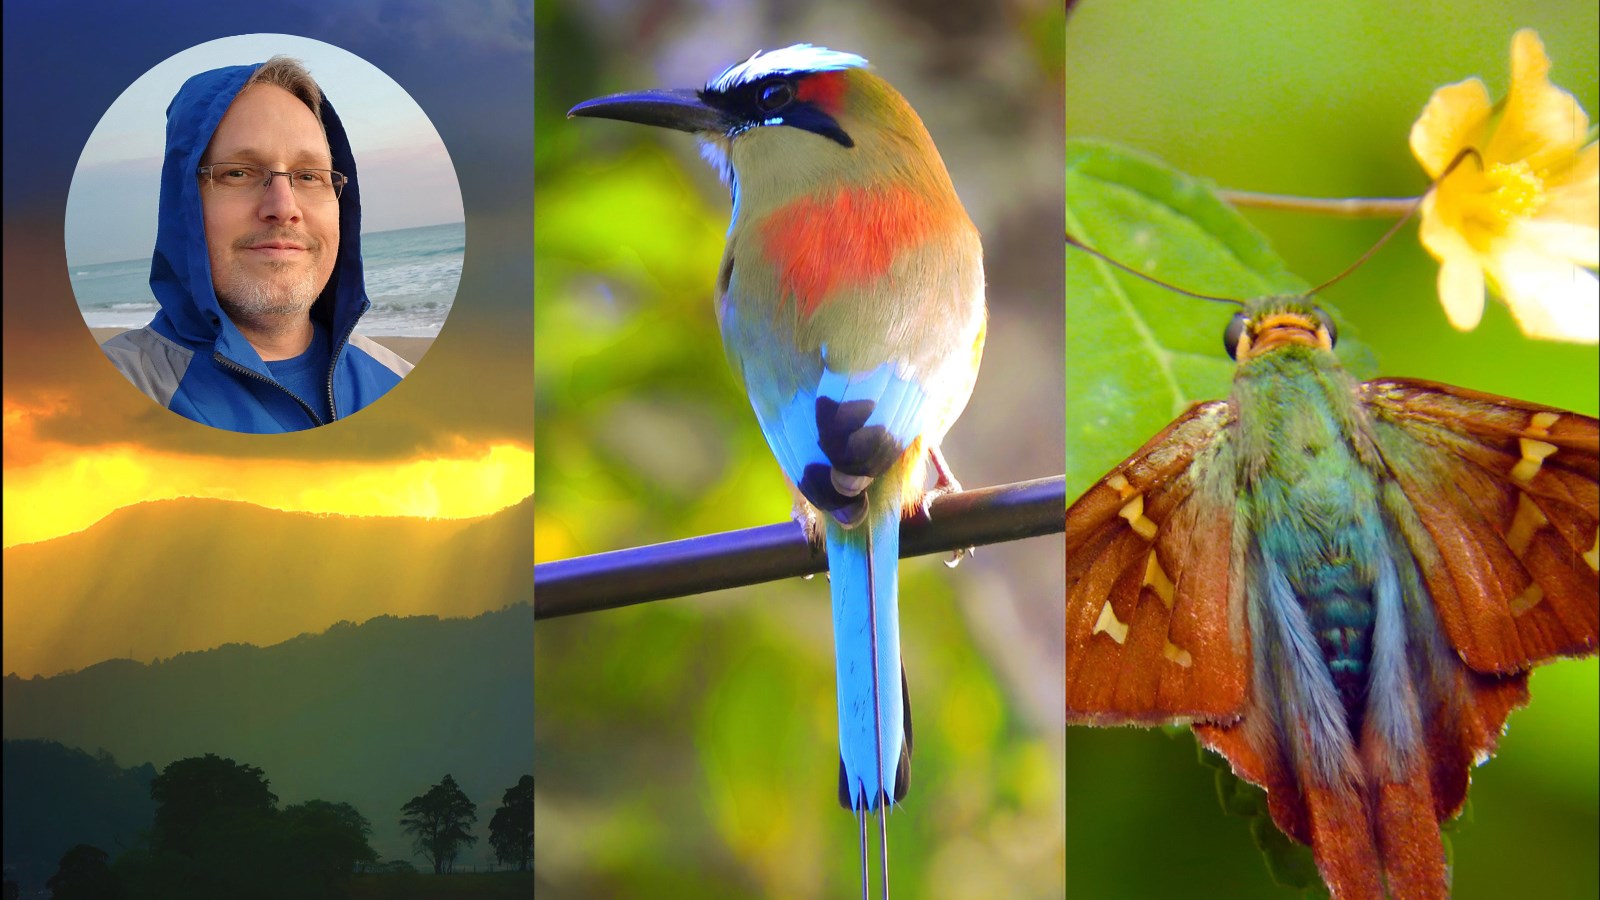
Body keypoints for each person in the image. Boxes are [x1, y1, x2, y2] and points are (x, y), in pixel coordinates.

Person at [102, 56, 412, 433]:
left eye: (310, 176)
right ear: (182, 203)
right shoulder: (111, 397)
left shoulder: (401, 382)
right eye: (238, 173)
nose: (284, 208)